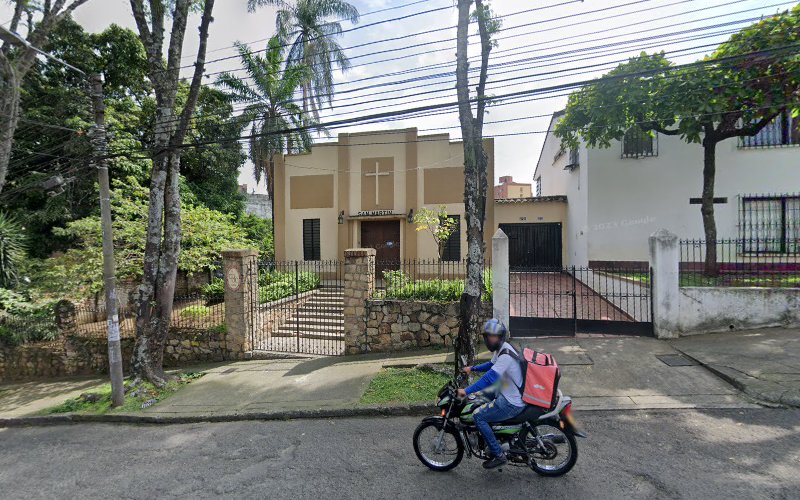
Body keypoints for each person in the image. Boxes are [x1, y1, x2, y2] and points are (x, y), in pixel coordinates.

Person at [457, 319, 525, 469]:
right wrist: (472, 369)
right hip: (507, 391)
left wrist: (466, 391)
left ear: (501, 337)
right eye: (488, 336)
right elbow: (491, 365)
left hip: (511, 402)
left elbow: (490, 378)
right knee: (482, 396)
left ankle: (498, 454)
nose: (490, 339)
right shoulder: (502, 349)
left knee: (478, 416)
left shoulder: (505, 355)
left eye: (493, 336)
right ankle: (495, 434)